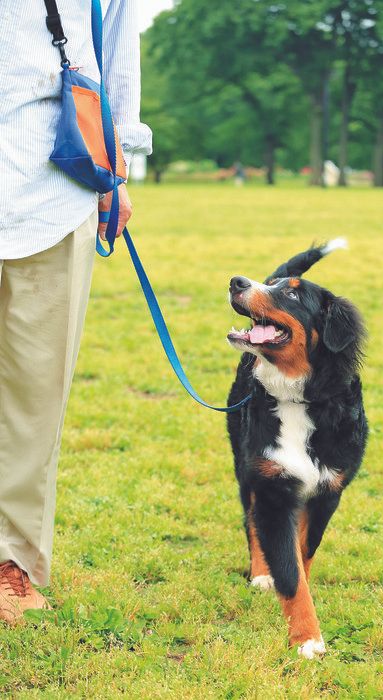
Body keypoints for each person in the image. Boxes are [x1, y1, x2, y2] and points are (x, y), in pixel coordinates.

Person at [0, 0, 152, 624]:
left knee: (35, 395)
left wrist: (117, 171)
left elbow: (115, 52)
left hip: (51, 183)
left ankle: (10, 561)